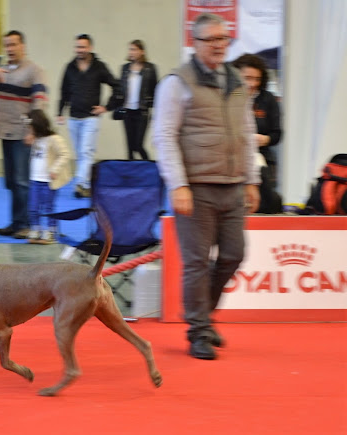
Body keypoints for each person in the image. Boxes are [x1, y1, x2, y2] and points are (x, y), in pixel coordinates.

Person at [152, 13, 261, 360]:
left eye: (222, 38)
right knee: (197, 262)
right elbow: (164, 136)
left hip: (233, 185)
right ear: (194, 42)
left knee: (233, 255)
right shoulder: (176, 83)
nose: (218, 45)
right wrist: (178, 185)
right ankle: (199, 331)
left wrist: (252, 179)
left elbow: (246, 132)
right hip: (195, 187)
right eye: (210, 39)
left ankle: (203, 316)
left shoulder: (237, 80)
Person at [0, 30, 48, 239]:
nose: (10, 49)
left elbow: (40, 102)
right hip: (5, 132)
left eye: (13, 44)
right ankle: (16, 222)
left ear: (23, 46)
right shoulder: (2, 71)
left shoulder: (34, 71)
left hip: (23, 134)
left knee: (22, 182)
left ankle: (25, 224)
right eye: (7, 45)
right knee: (11, 182)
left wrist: (33, 130)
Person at [57, 34, 120, 198]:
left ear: (90, 48)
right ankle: (85, 185)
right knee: (80, 153)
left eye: (83, 47)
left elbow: (117, 86)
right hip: (73, 117)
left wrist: (107, 107)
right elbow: (64, 91)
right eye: (77, 47)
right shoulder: (70, 67)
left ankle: (80, 184)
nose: (80, 50)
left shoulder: (99, 67)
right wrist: (60, 112)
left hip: (91, 118)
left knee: (86, 152)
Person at [232, 53, 282, 185]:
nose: (252, 83)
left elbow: (277, 134)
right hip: (235, 159)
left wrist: (265, 139)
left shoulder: (268, 98)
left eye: (257, 79)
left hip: (262, 158)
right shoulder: (231, 96)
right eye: (247, 78)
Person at [23, 109, 72, 244]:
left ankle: (50, 231)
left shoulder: (54, 139)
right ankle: (36, 228)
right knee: (33, 207)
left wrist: (55, 169)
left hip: (48, 181)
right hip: (35, 180)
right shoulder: (36, 139)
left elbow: (65, 154)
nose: (29, 130)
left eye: (31, 127)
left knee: (48, 207)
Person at [116, 40, 158, 160]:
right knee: (129, 147)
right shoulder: (125, 69)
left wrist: (153, 107)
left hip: (142, 111)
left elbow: (155, 89)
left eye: (134, 49)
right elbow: (120, 88)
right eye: (130, 49)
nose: (131, 52)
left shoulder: (150, 68)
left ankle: (148, 165)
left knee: (138, 145)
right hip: (127, 111)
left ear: (142, 51)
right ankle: (131, 168)